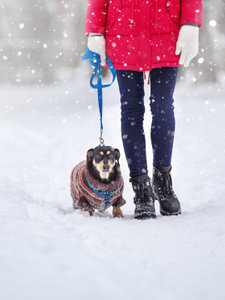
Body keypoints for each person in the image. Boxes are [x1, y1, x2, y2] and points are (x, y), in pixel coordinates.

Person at [85, 0, 203, 219]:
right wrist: (94, 31)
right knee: (131, 110)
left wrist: (191, 23)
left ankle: (163, 182)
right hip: (123, 32)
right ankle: (141, 189)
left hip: (166, 32)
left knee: (163, 106)